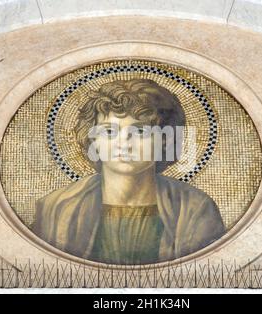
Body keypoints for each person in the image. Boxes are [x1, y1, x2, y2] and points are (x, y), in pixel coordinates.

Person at [32, 79, 225, 265]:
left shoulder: (195, 208)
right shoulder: (56, 207)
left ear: (165, 140)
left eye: (140, 131)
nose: (123, 144)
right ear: (92, 140)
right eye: (109, 132)